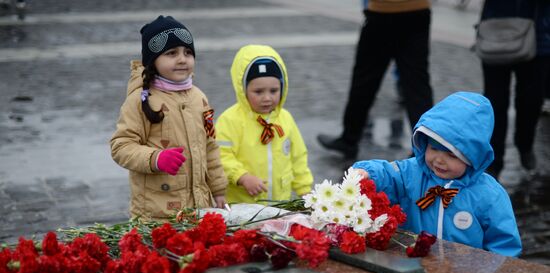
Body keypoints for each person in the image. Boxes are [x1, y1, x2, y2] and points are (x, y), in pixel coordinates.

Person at [352, 92, 522, 257]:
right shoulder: (411, 173)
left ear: (473, 158)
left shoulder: (490, 195)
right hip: (413, 265)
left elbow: (504, 245)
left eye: (452, 155)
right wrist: (368, 173)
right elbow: (388, 174)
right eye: (433, 148)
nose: (439, 160)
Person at [110, 15, 227, 220]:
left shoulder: (199, 98)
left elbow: (210, 145)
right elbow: (121, 146)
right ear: (153, 61)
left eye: (188, 52)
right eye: (171, 53)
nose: (182, 59)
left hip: (199, 208)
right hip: (157, 214)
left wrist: (218, 189)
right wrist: (155, 158)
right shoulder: (140, 100)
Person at [317, 0, 434, 159]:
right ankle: (426, 146)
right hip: (415, 11)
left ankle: (349, 139)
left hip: (384, 12)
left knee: (365, 79)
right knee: (416, 84)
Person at [215, 44, 313, 204]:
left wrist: (305, 189)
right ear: (243, 89)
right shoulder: (230, 120)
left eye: (273, 91)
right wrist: (242, 176)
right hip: (243, 205)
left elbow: (298, 157)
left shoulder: (286, 118)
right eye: (258, 92)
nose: (267, 98)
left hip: (281, 203)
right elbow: (220, 156)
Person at [481, 0, 550, 178]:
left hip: (537, 34)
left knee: (532, 100)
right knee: (495, 101)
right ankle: (494, 160)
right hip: (494, 32)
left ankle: (525, 144)